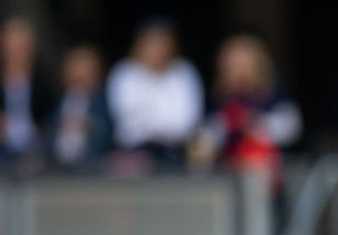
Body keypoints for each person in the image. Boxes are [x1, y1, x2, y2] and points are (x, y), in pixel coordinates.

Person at [189, 35, 302, 187]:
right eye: (234, 65)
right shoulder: (218, 100)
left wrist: (255, 124)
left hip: (267, 180)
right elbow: (204, 140)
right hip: (225, 178)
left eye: (244, 64)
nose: (240, 70)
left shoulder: (273, 95)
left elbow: (291, 129)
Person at [106, 18, 203, 165]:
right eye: (151, 43)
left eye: (163, 43)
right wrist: (160, 126)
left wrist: (153, 126)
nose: (157, 49)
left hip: (176, 153)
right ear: (139, 45)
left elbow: (186, 122)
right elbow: (126, 120)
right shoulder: (124, 73)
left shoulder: (184, 72)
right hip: (132, 152)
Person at [0, 15, 55, 163]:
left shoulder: (44, 80)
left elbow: (52, 116)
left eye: (23, 45)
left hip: (36, 146)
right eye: (12, 45)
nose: (17, 51)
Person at [49, 45, 113, 168]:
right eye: (75, 69)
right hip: (56, 169)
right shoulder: (56, 100)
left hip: (91, 170)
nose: (80, 75)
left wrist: (89, 126)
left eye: (85, 70)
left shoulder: (104, 102)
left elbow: (110, 133)